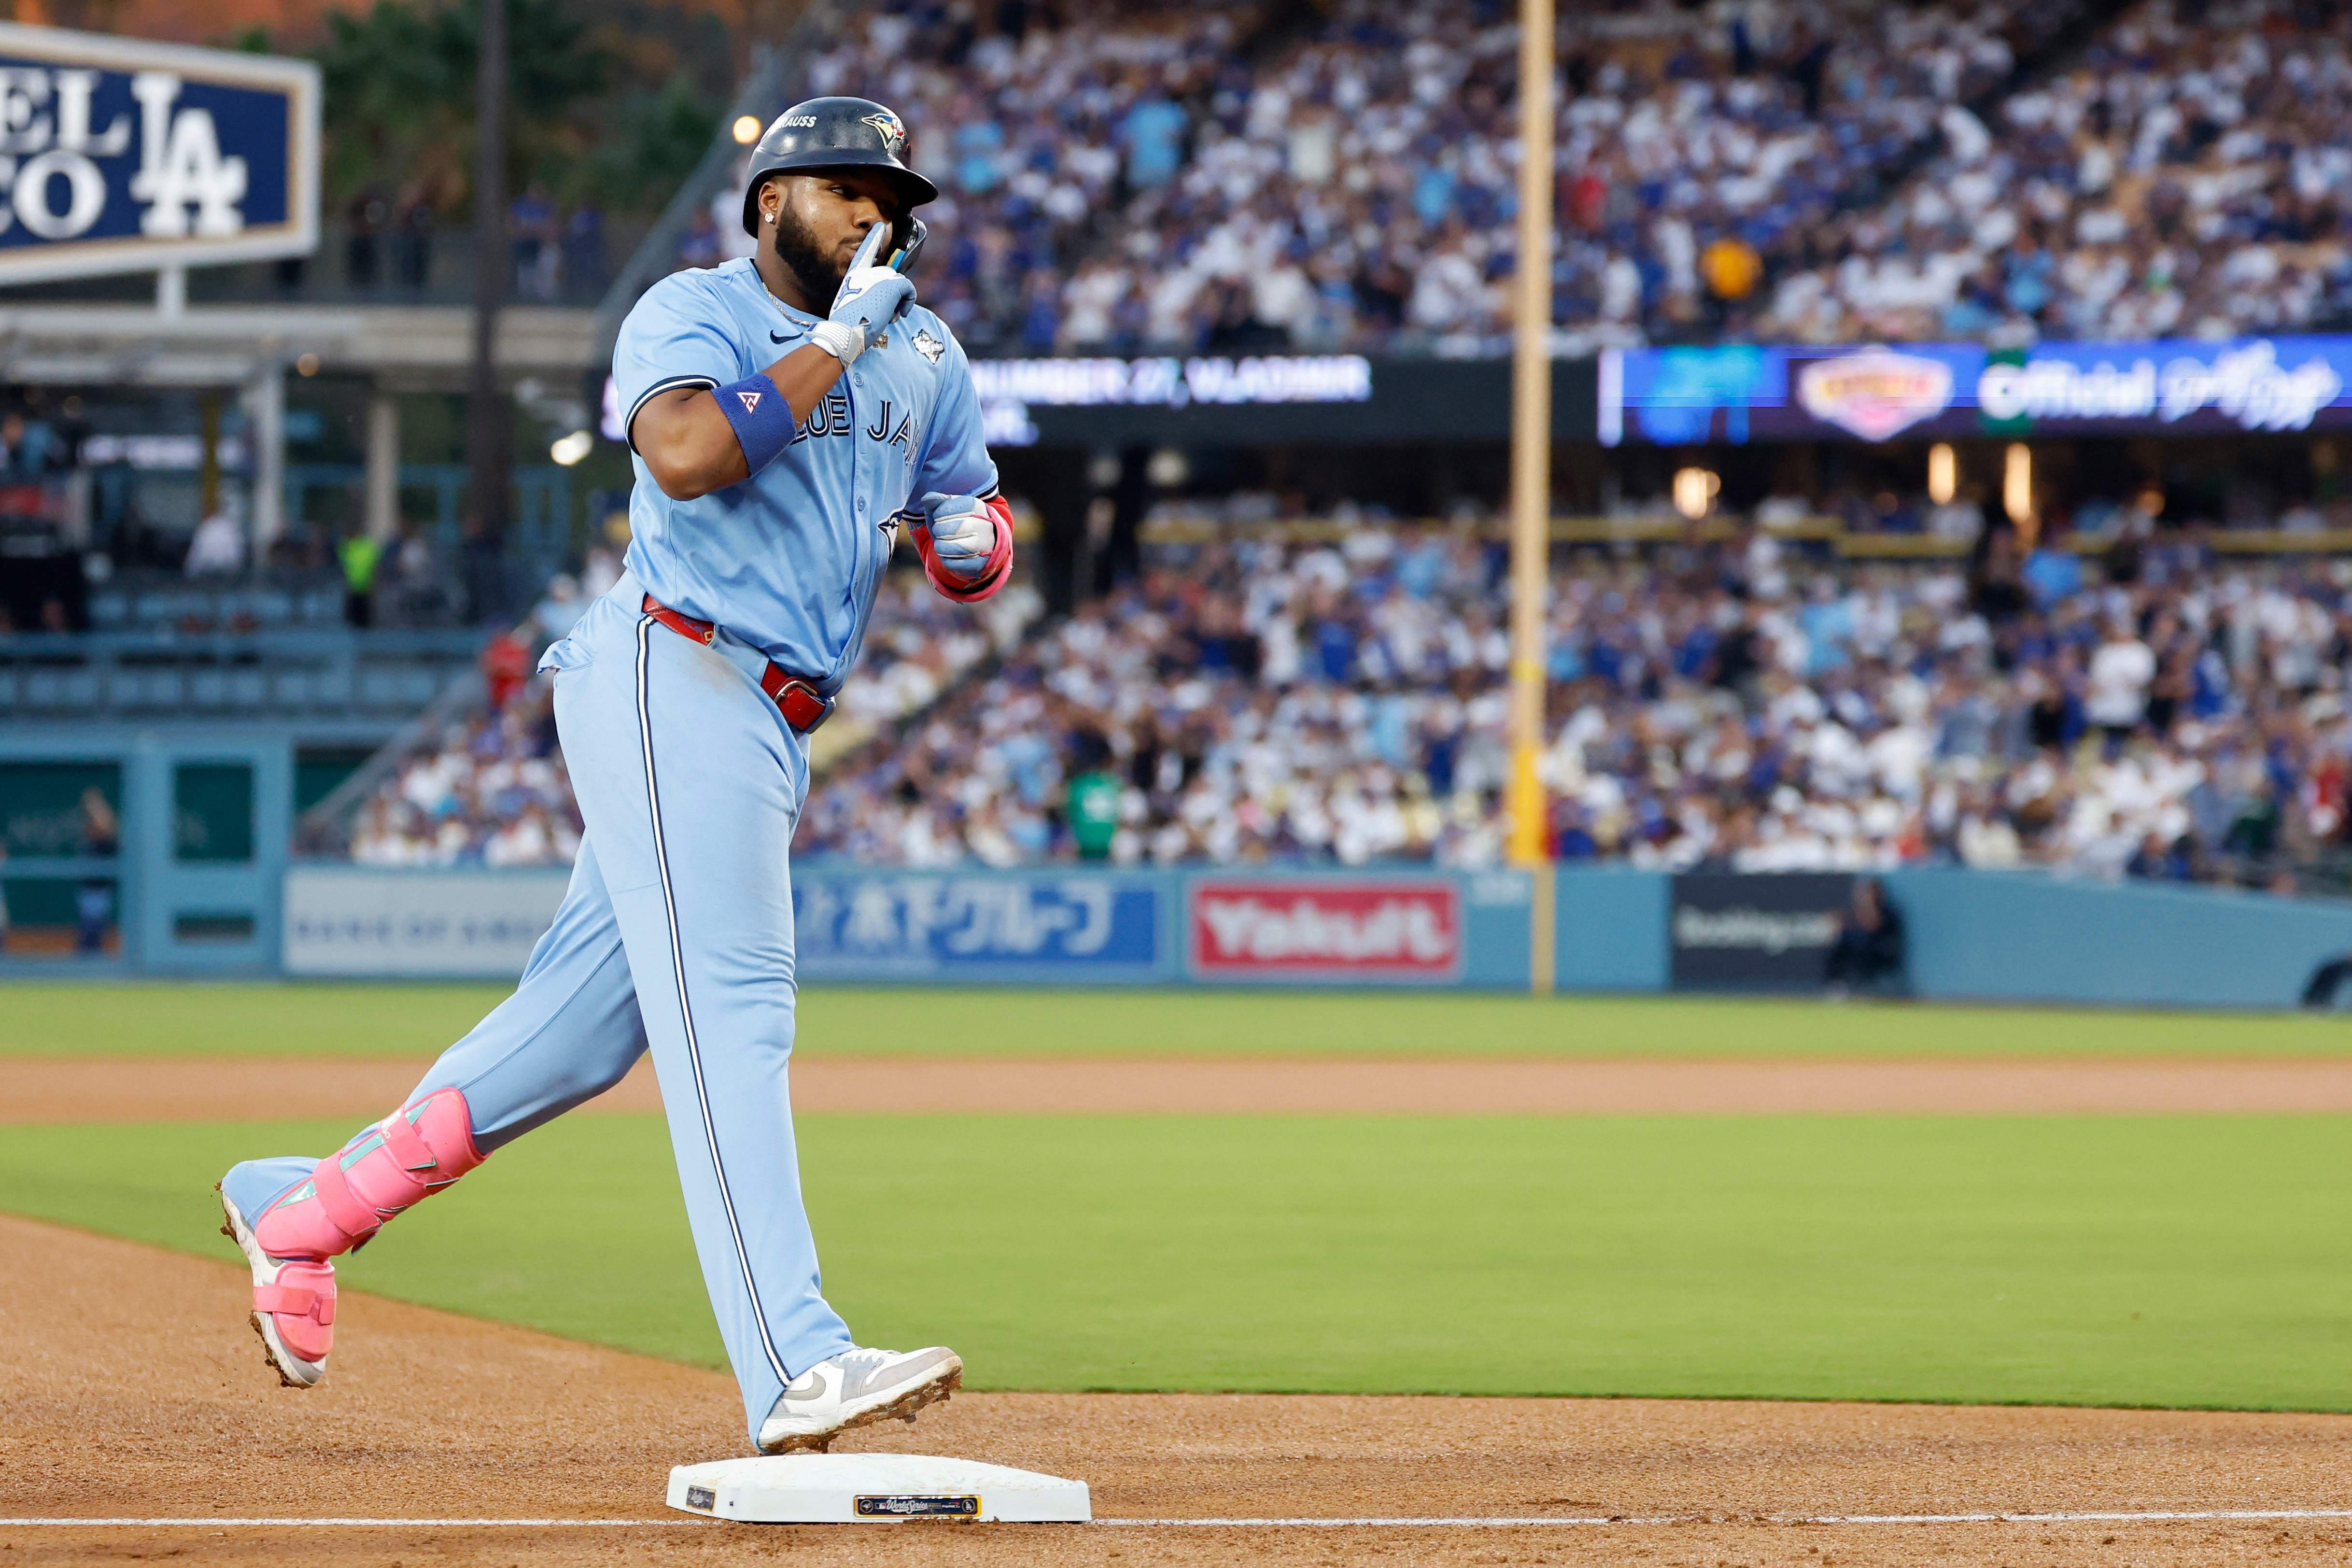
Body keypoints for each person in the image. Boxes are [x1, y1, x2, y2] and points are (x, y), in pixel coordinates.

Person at [216, 97, 1009, 1459]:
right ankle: (794, 1357)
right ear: (770, 202)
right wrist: (833, 343)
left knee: (581, 1036)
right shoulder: (688, 310)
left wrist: (965, 537)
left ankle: (303, 1211)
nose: (876, 212)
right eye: (844, 190)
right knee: (734, 1007)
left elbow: (976, 518)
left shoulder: (924, 351)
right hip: (671, 666)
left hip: (776, 714)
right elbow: (692, 457)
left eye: (891, 193)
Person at [1823, 876, 1906, 995]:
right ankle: (1836, 984)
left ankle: (1867, 987)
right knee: (1842, 943)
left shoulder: (1888, 911)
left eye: (1869, 891)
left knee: (1865, 947)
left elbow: (1873, 925)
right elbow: (1845, 923)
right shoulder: (1857, 909)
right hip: (1862, 949)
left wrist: (1868, 906)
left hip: (1881, 951)